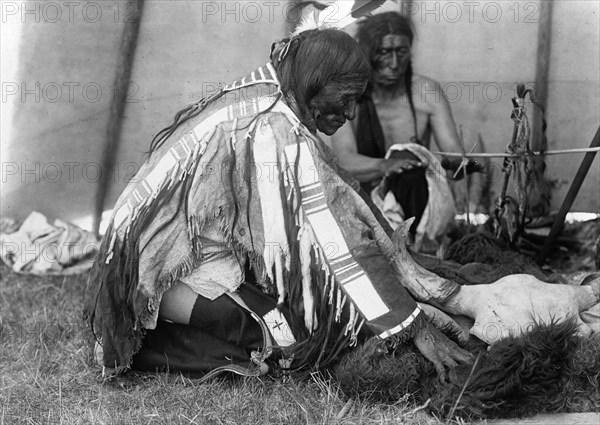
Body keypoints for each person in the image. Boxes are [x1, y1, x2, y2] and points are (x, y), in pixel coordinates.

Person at [84, 27, 473, 381]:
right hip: (151, 272)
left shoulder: (270, 94)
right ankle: (147, 340)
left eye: (358, 100)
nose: (352, 112)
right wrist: (411, 324)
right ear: (317, 81)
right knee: (286, 342)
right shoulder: (274, 126)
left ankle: (171, 328)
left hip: (184, 254)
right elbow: (340, 243)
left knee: (291, 316)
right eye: (347, 97)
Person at [329, 12, 480, 246]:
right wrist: (386, 166)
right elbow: (344, 161)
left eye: (401, 52)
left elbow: (452, 155)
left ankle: (418, 246)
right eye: (384, 53)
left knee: (409, 172)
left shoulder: (427, 93)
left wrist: (464, 165)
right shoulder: (349, 95)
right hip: (363, 206)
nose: (394, 64)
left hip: (416, 205)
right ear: (367, 54)